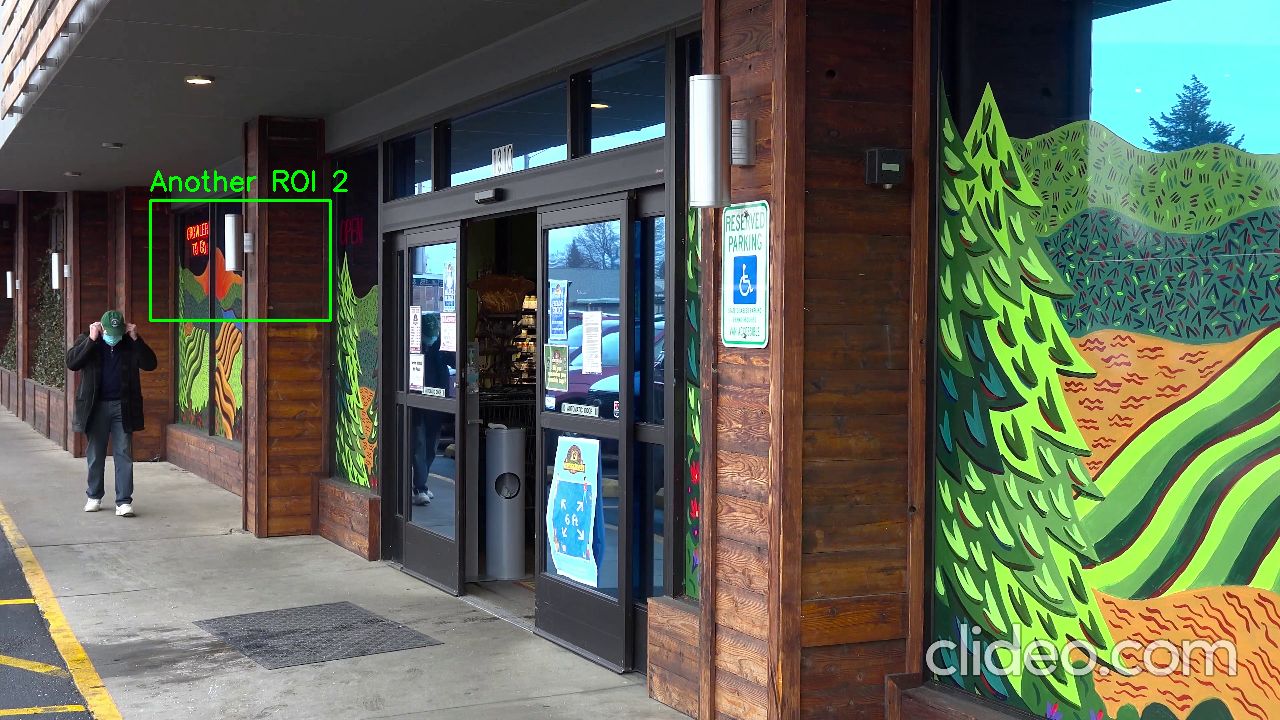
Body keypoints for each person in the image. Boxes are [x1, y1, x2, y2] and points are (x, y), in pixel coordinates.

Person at [66, 310, 158, 517]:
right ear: (102, 328)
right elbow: (72, 363)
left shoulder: (130, 343)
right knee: (95, 454)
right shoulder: (89, 339)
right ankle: (94, 496)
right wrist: (90, 340)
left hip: (122, 406)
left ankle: (124, 502)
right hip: (96, 406)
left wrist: (137, 339)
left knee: (123, 453)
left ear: (124, 329)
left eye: (118, 332)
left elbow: (150, 364)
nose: (114, 337)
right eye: (110, 332)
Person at [411, 316, 452, 506]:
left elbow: (453, 362)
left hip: (437, 404)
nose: (432, 338)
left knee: (431, 447)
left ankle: (422, 482)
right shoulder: (413, 348)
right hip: (418, 404)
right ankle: (420, 487)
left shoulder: (441, 347)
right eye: (429, 335)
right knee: (419, 446)